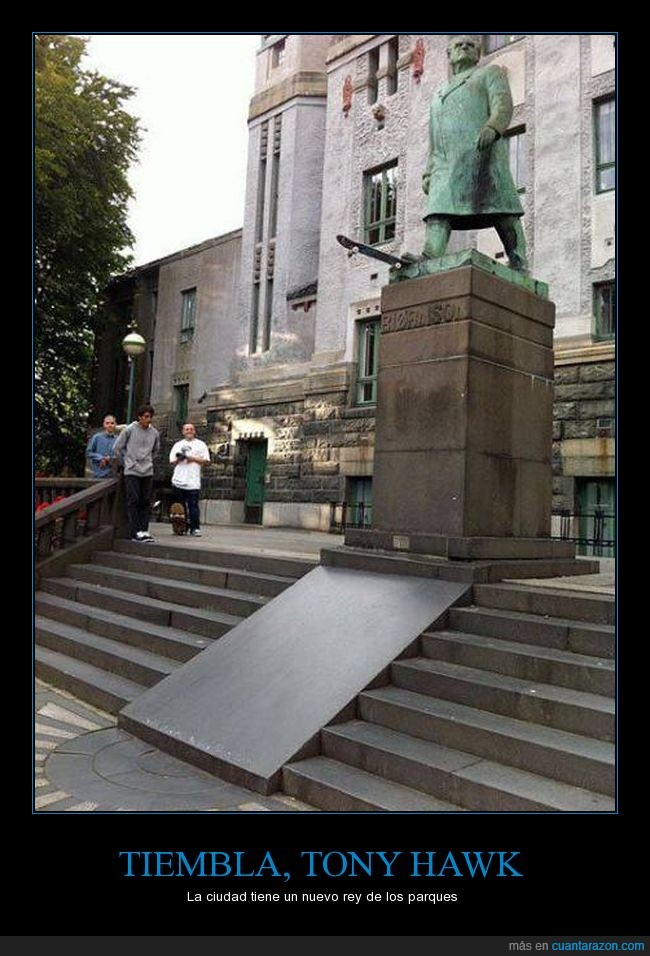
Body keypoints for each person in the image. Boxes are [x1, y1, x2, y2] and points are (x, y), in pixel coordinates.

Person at [422, 35, 528, 272]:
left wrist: (493, 127)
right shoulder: (438, 94)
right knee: (437, 209)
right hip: (445, 164)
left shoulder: (490, 74)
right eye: (458, 45)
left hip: (481, 153)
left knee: (502, 208)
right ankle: (429, 254)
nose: (464, 48)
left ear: (478, 54)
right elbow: (434, 137)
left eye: (470, 45)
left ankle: (519, 261)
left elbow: (503, 104)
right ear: (449, 55)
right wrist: (429, 171)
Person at [113, 404, 160, 542]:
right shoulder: (129, 430)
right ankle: (134, 531)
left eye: (150, 417)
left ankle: (144, 529)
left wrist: (149, 460)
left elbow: (156, 450)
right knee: (133, 499)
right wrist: (126, 462)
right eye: (146, 417)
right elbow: (117, 448)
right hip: (132, 470)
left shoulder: (154, 433)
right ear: (140, 417)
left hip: (147, 470)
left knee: (145, 500)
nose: (148, 419)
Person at [169, 423, 211, 536]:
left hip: (193, 481)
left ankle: (195, 528)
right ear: (183, 432)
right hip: (178, 481)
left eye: (191, 429)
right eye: (187, 429)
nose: (189, 431)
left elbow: (206, 461)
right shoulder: (178, 445)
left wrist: (191, 458)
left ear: (194, 431)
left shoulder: (201, 444)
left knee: (193, 507)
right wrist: (180, 459)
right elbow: (172, 462)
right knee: (180, 508)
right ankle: (181, 528)